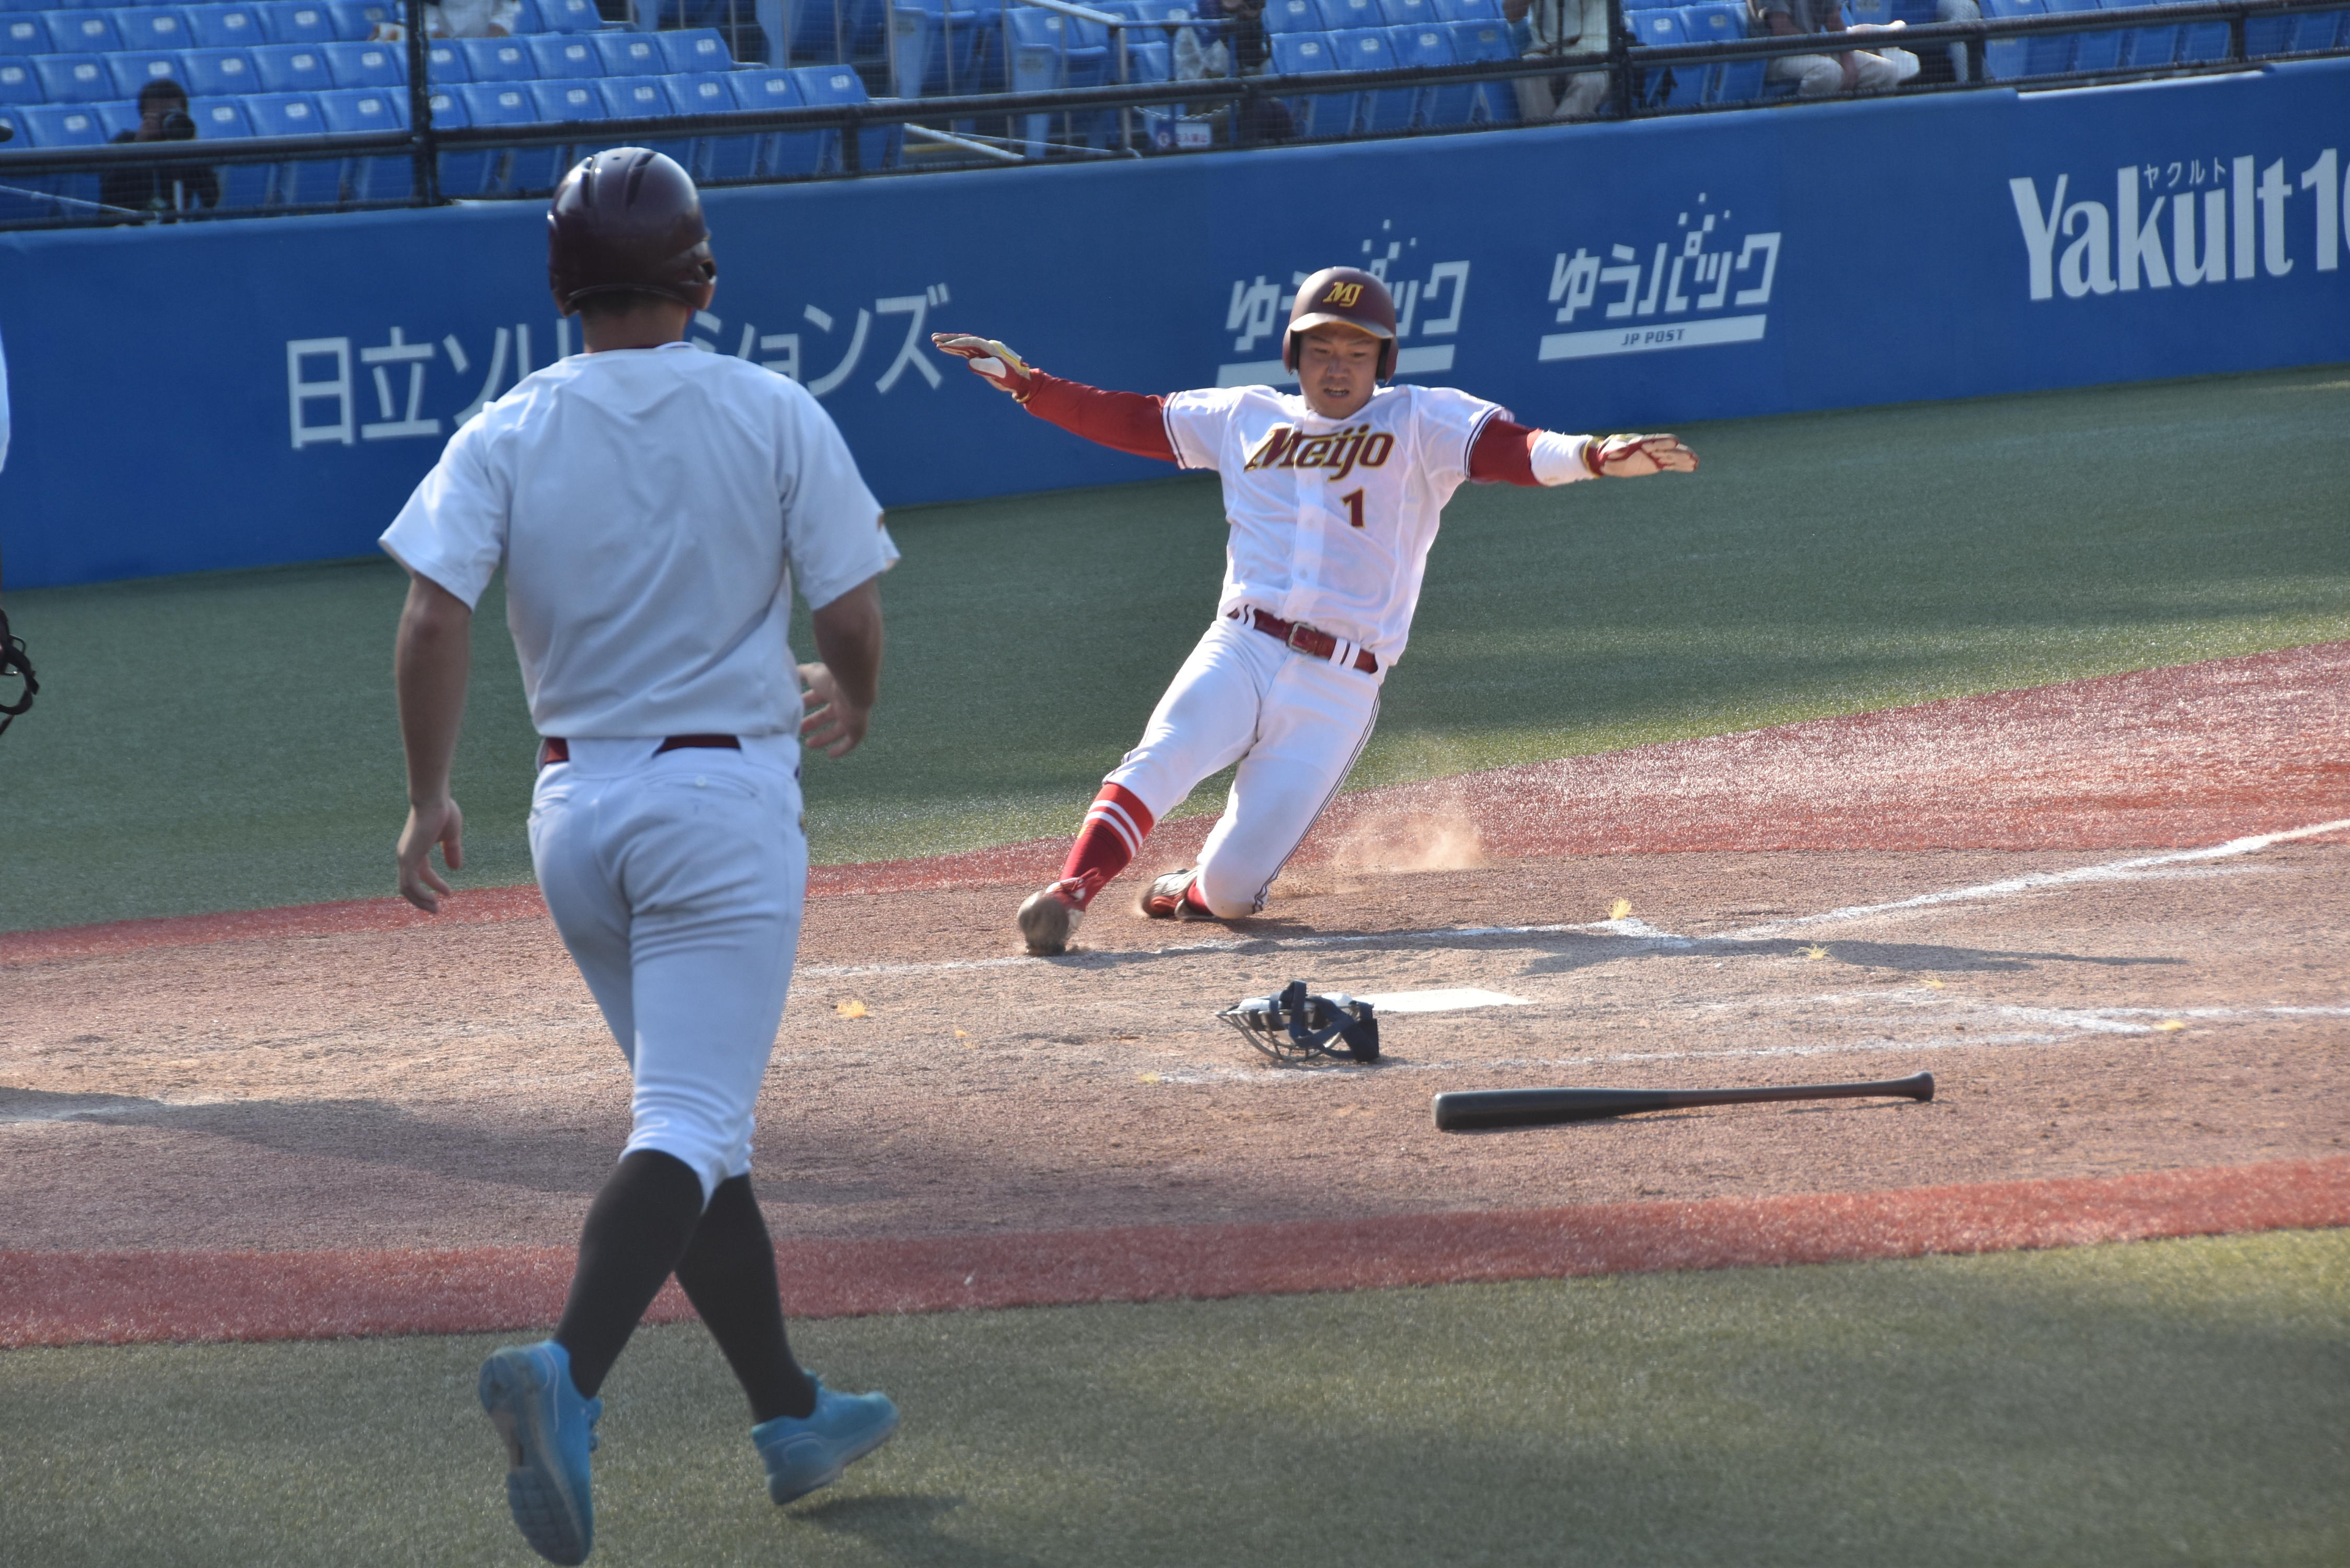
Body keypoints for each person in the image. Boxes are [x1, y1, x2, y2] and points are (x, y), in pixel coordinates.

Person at [382, 147, 900, 1566]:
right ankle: (566, 1374)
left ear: (560, 286)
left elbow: (434, 618)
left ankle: (792, 1412)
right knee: (683, 1124)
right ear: (703, 277)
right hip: (718, 809)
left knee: (701, 1131)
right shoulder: (772, 407)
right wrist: (854, 695)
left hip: (573, 818)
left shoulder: (508, 427)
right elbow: (848, 606)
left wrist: (429, 795)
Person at [930, 269, 1697, 958]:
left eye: (1357, 352)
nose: (1339, 366)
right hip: (1241, 645)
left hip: (1340, 684)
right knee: (1163, 751)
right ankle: (1070, 894)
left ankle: (1189, 888)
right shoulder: (1244, 417)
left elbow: (1519, 449)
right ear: (1295, 355)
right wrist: (1029, 385)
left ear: (1382, 363)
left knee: (1231, 893)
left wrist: (1593, 456)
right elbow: (1128, 419)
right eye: (1323, 349)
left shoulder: (1421, 421)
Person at [98, 79, 219, 220]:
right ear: (144, 117)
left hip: (176, 231)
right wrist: (139, 147)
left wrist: (194, 150)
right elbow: (109, 194)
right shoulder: (124, 142)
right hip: (128, 228)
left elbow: (211, 198)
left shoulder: (186, 149)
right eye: (159, 116)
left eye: (170, 114)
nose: (165, 122)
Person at [1761, 0, 1914, 95]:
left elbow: (1834, 21)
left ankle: (1859, 128)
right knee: (1828, 72)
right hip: (1779, 56)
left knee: (1887, 72)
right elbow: (1781, 29)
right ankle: (1802, 129)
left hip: (1818, 51)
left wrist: (1848, 62)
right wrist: (1820, 48)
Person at [1505, 0, 1612, 121]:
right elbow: (1512, 15)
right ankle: (1542, 132)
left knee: (1590, 80)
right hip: (1545, 52)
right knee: (1527, 70)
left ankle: (1552, 136)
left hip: (1595, 54)